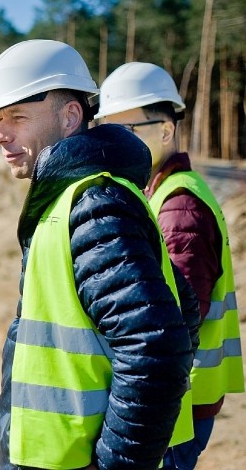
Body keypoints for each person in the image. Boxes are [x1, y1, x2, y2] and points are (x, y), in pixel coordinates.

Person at [0, 40, 197, 470]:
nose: (0, 133)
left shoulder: (94, 204)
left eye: (17, 117)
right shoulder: (71, 199)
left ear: (71, 116)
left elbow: (157, 350)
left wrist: (117, 462)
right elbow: (182, 308)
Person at [96, 62, 245, 469]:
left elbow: (176, 322)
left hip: (178, 404)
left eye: (128, 131)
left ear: (165, 129)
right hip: (178, 397)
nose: (116, 143)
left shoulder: (180, 206)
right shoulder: (159, 192)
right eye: (109, 131)